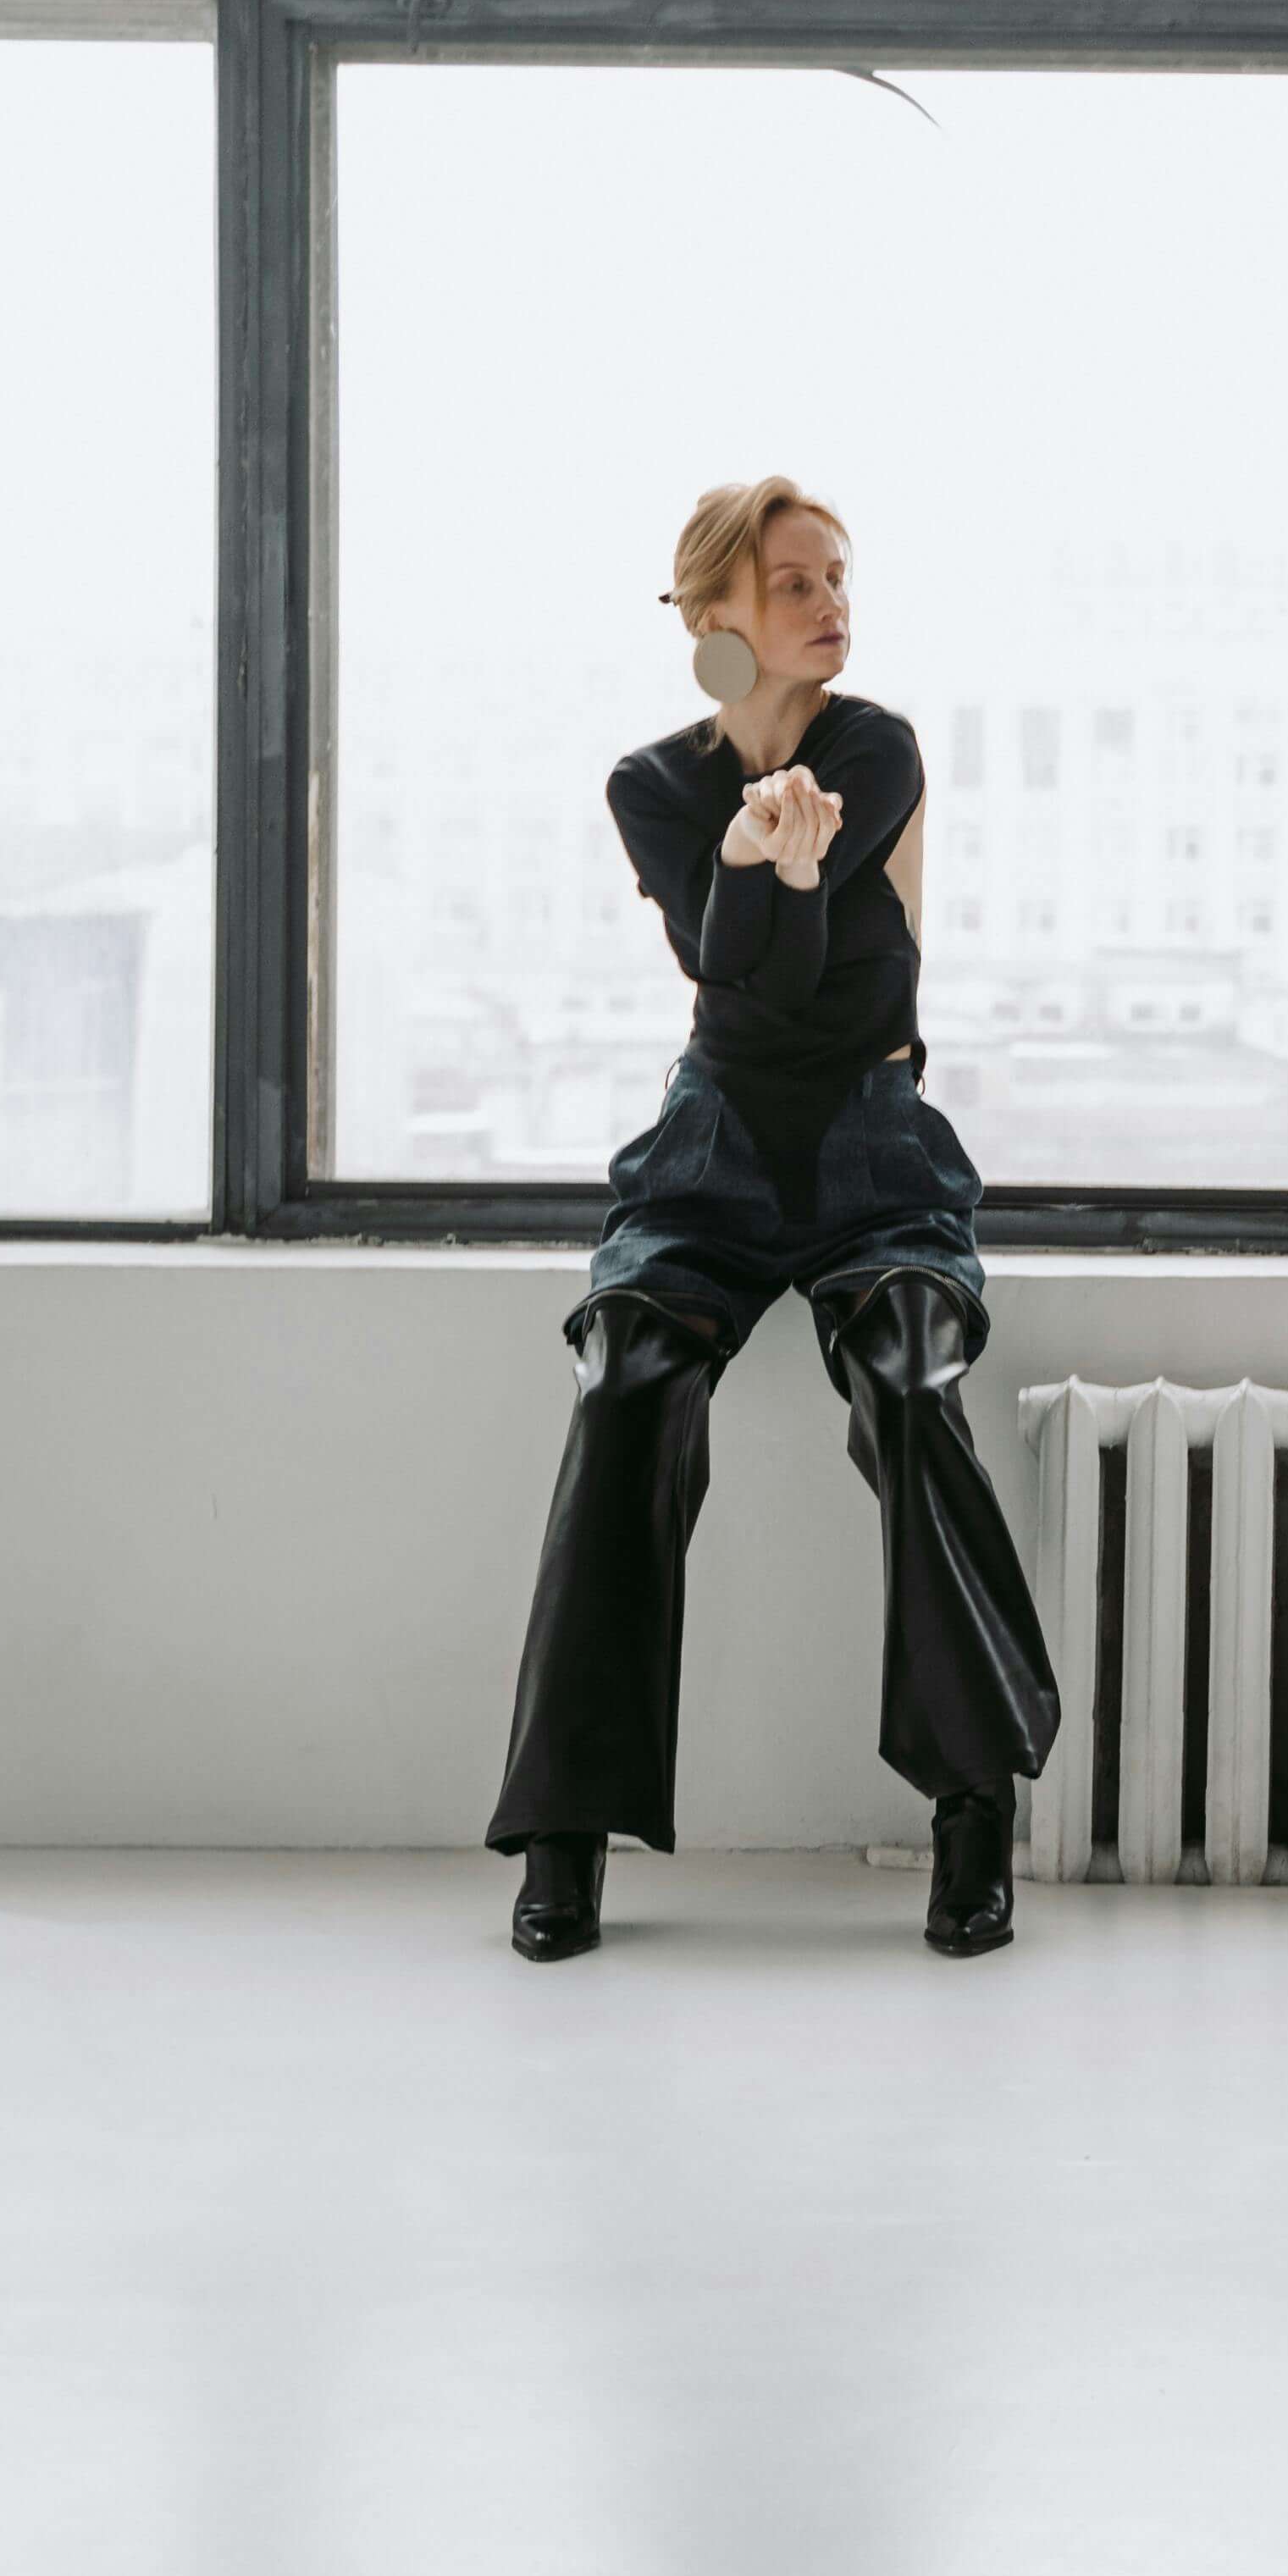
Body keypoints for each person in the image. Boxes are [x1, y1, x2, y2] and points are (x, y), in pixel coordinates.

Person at [487, 476, 1059, 1964]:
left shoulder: (876, 746)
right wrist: (753, 863)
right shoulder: (651, 785)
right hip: (712, 1154)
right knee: (625, 1384)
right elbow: (725, 973)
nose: (831, 605)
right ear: (716, 618)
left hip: (875, 1148)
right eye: (795, 583)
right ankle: (563, 1836)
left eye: (838, 578)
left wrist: (780, 870)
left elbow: (806, 992)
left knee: (911, 1387)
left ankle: (974, 1811)